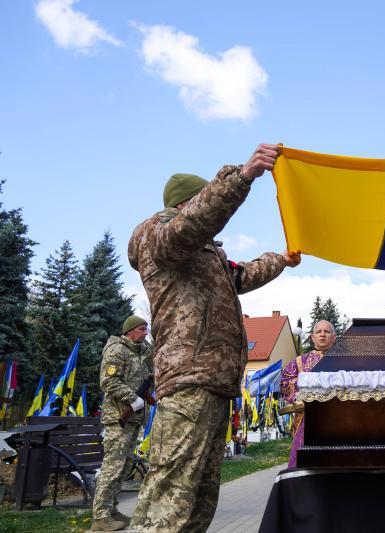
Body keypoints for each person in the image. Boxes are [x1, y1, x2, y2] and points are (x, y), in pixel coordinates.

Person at [128, 143, 301, 532]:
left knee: (198, 501)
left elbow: (240, 276)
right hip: (189, 380)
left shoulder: (204, 254)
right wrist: (242, 177)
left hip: (213, 382)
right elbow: (192, 224)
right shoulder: (158, 236)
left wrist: (281, 259)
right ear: (186, 203)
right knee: (170, 502)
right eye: (201, 198)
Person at [91, 315, 152, 532]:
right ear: (129, 331)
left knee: (124, 465)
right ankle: (100, 517)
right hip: (118, 417)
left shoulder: (143, 351)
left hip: (135, 418)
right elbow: (108, 381)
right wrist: (132, 398)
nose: (145, 333)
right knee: (113, 466)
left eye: (146, 329)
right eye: (142, 329)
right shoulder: (117, 350)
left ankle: (112, 510)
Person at [280, 319, 337, 467]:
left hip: (337, 417)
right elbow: (285, 382)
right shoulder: (300, 362)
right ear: (312, 337)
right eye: (318, 331)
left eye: (327, 331)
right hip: (307, 417)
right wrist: (304, 392)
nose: (322, 334)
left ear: (334, 337)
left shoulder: (342, 360)